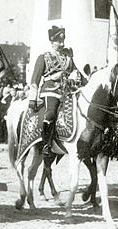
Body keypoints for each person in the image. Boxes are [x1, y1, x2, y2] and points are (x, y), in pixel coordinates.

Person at [28, 25, 80, 155]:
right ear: (52, 42)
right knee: (51, 114)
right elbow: (35, 80)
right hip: (50, 90)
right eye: (58, 41)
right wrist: (32, 99)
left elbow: (74, 70)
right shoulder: (44, 57)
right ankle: (47, 144)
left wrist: (73, 77)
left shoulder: (68, 56)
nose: (61, 44)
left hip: (67, 90)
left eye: (63, 41)